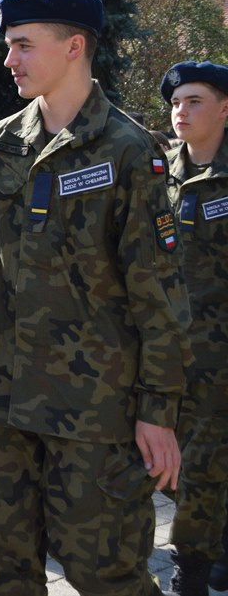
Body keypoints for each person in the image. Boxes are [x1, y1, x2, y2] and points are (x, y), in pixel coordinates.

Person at [0, 0, 191, 595]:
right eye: (9, 45)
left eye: (24, 45)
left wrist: (158, 412)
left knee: (108, 577)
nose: (10, 60)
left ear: (74, 46)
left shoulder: (130, 151)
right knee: (1, 573)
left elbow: (157, 291)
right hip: (1, 402)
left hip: (95, 413)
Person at [158, 60, 228, 596]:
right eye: (177, 102)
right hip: (170, 349)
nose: (181, 111)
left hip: (221, 353)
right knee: (183, 463)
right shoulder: (160, 172)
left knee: (202, 463)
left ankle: (192, 571)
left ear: (225, 107)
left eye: (195, 101)